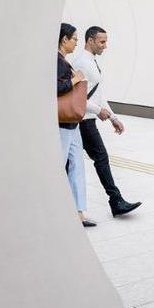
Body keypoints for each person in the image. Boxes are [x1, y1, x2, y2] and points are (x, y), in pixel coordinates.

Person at [68, 26, 141, 218]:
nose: (105, 46)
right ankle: (115, 200)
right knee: (99, 158)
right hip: (84, 120)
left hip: (88, 118)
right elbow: (78, 96)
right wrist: (98, 111)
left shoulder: (91, 62)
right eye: (102, 42)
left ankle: (113, 201)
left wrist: (113, 117)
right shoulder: (81, 63)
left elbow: (97, 94)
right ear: (90, 40)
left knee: (77, 162)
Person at [57, 23, 94, 227]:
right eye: (74, 39)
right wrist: (76, 79)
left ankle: (78, 212)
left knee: (77, 168)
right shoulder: (58, 62)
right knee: (63, 167)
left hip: (71, 125)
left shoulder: (64, 61)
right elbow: (55, 88)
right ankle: (67, 211)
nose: (76, 42)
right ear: (64, 39)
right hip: (63, 124)